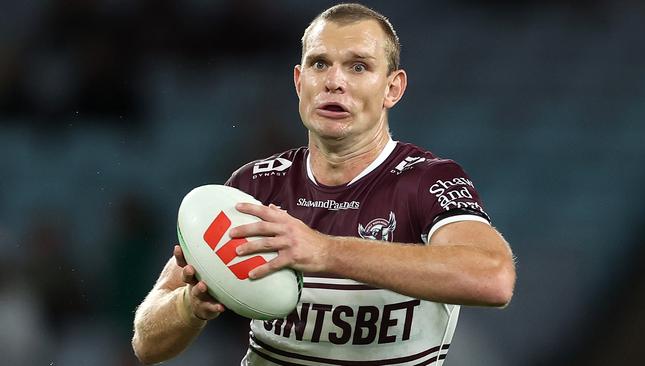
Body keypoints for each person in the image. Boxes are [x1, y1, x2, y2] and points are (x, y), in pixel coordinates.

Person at [132, 3, 516, 365]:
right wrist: (189, 306)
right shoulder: (254, 187)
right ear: (300, 82)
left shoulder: (426, 180)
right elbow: (146, 344)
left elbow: (493, 278)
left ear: (392, 89)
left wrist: (325, 251)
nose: (334, 81)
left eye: (359, 67)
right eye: (319, 64)